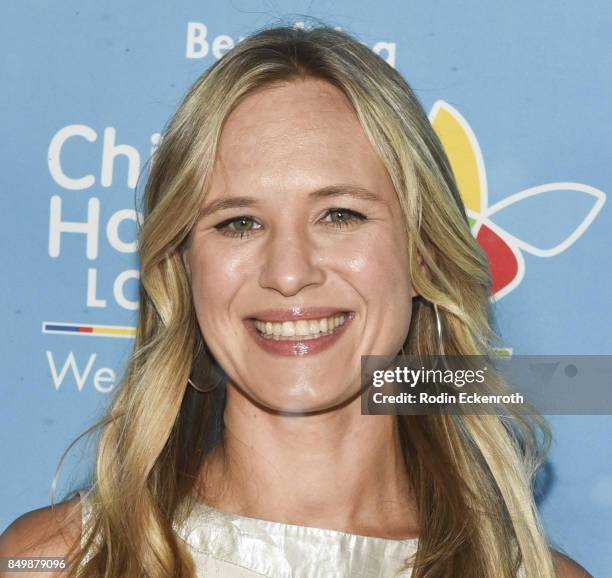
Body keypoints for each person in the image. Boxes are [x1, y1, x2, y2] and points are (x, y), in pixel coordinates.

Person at [0, 24, 592, 578]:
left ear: (424, 255)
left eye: (340, 215)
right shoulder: (52, 564)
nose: (288, 273)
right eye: (238, 223)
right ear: (184, 266)